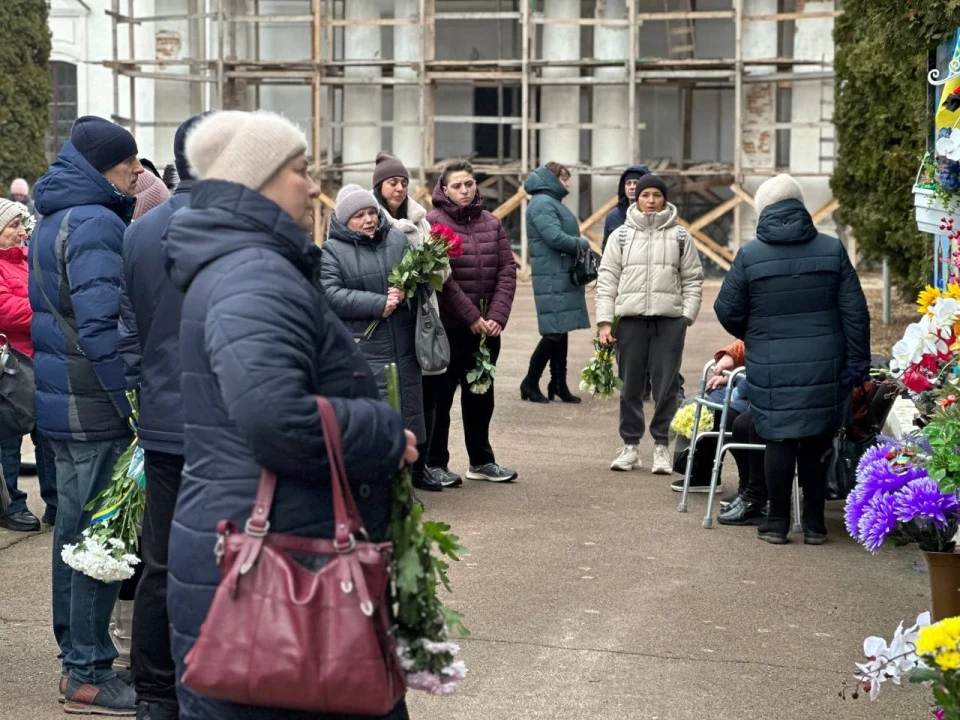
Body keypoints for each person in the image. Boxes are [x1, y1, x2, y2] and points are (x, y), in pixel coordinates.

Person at [162, 110, 415, 720]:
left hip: (269, 539)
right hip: (280, 560)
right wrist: (384, 433)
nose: (312, 187)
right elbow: (278, 419)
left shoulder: (249, 264)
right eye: (300, 171)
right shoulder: (254, 276)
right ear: (259, 180)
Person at [30, 115, 143, 713]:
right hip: (93, 405)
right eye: (129, 164)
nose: (136, 173)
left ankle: (77, 654)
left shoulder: (58, 213)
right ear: (105, 166)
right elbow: (102, 325)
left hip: (63, 400)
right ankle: (88, 671)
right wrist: (131, 401)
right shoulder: (96, 220)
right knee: (99, 539)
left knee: (74, 537)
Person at [714, 173, 870, 545]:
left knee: (777, 440)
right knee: (816, 441)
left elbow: (727, 309)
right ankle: (815, 526)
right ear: (801, 206)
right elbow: (855, 313)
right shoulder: (832, 249)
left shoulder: (750, 254)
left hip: (771, 363)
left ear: (763, 210)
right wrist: (856, 366)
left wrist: (755, 331)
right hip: (824, 363)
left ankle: (776, 524)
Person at [118, 114, 206, 720]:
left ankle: (153, 688)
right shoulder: (245, 228)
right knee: (231, 555)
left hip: (163, 415)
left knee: (161, 560)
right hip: (227, 422)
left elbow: (128, 332)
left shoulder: (141, 231)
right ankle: (212, 680)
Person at [320, 183, 437, 492]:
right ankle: (379, 490)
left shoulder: (397, 239)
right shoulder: (332, 251)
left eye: (372, 212)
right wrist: (377, 304)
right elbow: (330, 294)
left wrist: (410, 286)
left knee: (408, 417)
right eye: (360, 215)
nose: (369, 219)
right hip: (366, 348)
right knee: (376, 419)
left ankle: (405, 488)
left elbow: (421, 277)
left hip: (404, 346)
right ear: (345, 221)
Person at [596, 173, 704, 475]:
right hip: (630, 321)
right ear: (636, 198)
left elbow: (693, 278)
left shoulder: (681, 236)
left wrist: (686, 316)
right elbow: (607, 280)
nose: (651, 201)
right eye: (646, 195)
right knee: (629, 386)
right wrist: (605, 322)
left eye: (657, 195)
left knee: (666, 387)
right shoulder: (621, 236)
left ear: (665, 199)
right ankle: (630, 446)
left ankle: (660, 447)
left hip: (669, 323)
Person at [426, 160, 518, 484]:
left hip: (487, 331)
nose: (465, 190)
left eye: (469, 184)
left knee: (481, 396)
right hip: (450, 329)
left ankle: (481, 461)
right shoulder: (432, 223)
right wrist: (471, 317)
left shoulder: (492, 224)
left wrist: (496, 316)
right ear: (444, 189)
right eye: (457, 186)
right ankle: (435, 463)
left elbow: (507, 270)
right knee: (440, 398)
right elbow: (443, 278)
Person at [372, 152, 453, 490]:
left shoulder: (422, 221)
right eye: (393, 182)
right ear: (379, 187)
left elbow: (444, 270)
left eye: (404, 182)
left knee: (429, 391)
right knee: (393, 395)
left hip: (422, 316)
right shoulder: (369, 220)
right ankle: (393, 468)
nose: (400, 188)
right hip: (389, 320)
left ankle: (422, 465)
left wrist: (428, 268)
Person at [0, 199, 57, 533]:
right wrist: (44, 309)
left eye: (22, 224)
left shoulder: (24, 259)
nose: (22, 231)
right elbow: (6, 308)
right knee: (8, 439)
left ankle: (55, 502)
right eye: (13, 225)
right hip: (10, 368)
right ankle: (11, 505)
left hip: (38, 361)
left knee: (46, 437)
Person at [521, 162, 591, 404]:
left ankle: (558, 383)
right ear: (552, 179)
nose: (568, 184)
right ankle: (530, 381)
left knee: (561, 329)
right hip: (552, 275)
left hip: (558, 273)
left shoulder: (548, 202)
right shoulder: (542, 204)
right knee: (555, 332)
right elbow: (554, 237)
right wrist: (581, 243)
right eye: (564, 178)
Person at [602, 164, 649, 251]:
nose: (632, 187)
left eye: (636, 183)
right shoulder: (613, 217)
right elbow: (606, 250)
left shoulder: (655, 215)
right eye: (628, 183)